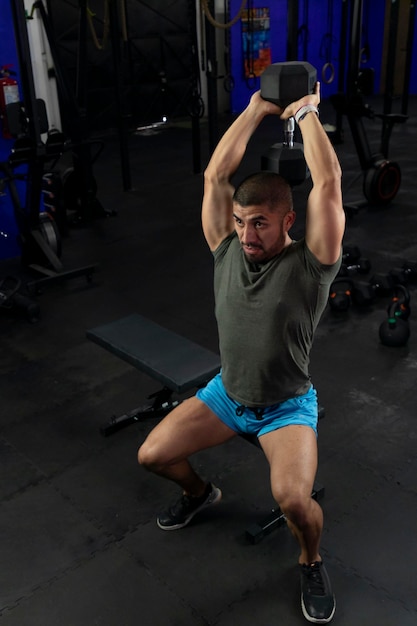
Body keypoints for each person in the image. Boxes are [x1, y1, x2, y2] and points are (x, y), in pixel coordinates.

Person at [138, 81, 345, 624]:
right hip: (227, 394)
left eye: (259, 223)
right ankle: (202, 494)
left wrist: (306, 113)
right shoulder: (226, 247)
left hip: (285, 406)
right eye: (240, 221)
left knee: (294, 503)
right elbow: (214, 176)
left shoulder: (311, 264)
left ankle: (310, 558)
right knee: (153, 456)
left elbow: (328, 180)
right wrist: (256, 108)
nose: (247, 234)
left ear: (287, 221)